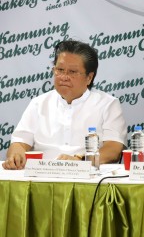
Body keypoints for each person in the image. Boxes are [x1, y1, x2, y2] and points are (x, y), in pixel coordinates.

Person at [3, 40, 127, 170]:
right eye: (60, 70)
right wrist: (16, 155)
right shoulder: (38, 103)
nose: (64, 77)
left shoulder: (108, 104)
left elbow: (114, 149)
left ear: (89, 77)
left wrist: (79, 161)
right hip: (41, 177)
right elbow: (19, 143)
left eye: (72, 72)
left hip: (87, 178)